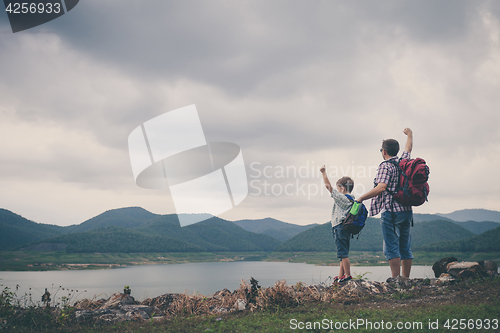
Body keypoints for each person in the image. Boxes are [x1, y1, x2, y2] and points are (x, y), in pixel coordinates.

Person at [357, 128, 414, 279]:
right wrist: (409, 135)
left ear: (384, 152)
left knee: (391, 246)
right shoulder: (404, 162)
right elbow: (408, 148)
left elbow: (381, 187)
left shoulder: (385, 166)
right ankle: (406, 279)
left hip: (391, 211)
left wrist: (361, 198)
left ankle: (395, 280)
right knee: (405, 246)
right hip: (406, 210)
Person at [320, 165, 355, 283]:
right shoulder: (351, 199)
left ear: (342, 189)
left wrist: (323, 172)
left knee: (343, 254)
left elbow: (327, 186)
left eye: (338, 188)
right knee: (342, 254)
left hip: (339, 227)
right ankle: (341, 276)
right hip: (345, 228)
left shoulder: (343, 198)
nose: (337, 190)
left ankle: (348, 276)